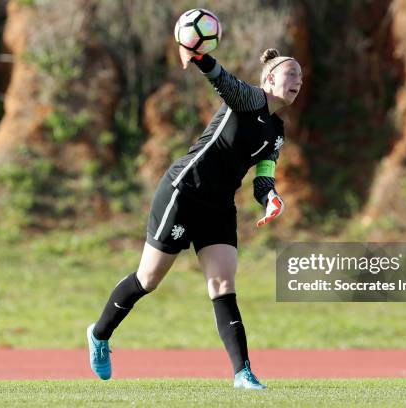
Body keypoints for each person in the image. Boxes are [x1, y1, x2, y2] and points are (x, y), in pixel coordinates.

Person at [86, 44, 303, 389]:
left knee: (223, 285)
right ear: (270, 78)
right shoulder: (250, 98)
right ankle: (99, 335)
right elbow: (224, 82)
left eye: (300, 78)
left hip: (219, 205)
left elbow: (263, 178)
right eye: (291, 74)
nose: (297, 82)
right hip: (184, 191)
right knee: (148, 279)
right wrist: (199, 56)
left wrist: (271, 198)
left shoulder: (276, 131)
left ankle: (243, 374)